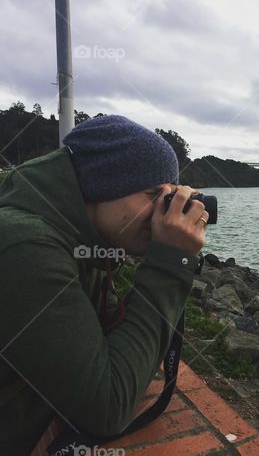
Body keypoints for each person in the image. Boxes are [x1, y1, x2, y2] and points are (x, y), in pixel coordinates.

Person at [0, 115, 208, 454]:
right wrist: (170, 263)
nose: (165, 213)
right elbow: (109, 407)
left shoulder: (80, 237)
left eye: (170, 196)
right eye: (154, 194)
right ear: (100, 186)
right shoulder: (24, 245)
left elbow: (112, 345)